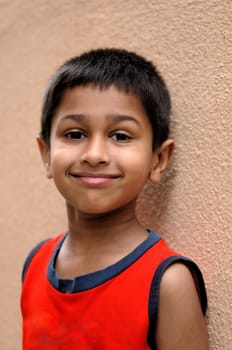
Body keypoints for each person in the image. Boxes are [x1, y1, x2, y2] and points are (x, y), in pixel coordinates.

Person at [21, 48, 208, 349]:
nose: (95, 155)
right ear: (46, 155)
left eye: (120, 136)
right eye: (75, 134)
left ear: (158, 160)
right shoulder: (35, 264)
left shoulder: (168, 283)